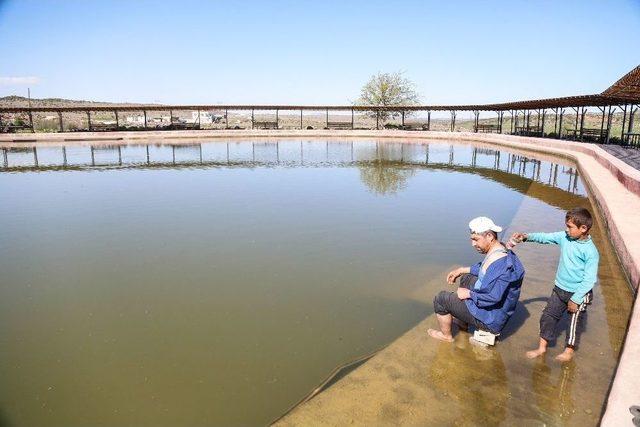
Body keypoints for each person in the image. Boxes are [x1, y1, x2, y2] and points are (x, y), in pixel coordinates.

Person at [511, 207, 599, 362]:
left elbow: (589, 279)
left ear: (583, 228)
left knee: (573, 323)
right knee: (548, 316)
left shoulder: (591, 252)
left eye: (570, 227)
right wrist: (526, 236)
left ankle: (569, 351)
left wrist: (576, 299)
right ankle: (541, 348)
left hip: (579, 293)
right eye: (566, 226)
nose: (567, 229)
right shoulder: (565, 237)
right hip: (559, 289)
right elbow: (545, 237)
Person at [428, 217, 525, 343]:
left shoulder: (501, 265)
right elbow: (485, 270)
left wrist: (469, 294)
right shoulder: (499, 250)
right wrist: (461, 270)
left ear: (489, 236)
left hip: (490, 319)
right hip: (494, 312)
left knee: (441, 299)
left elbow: (492, 297)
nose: (473, 244)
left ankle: (446, 336)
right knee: (467, 278)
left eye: (476, 239)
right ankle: (463, 322)